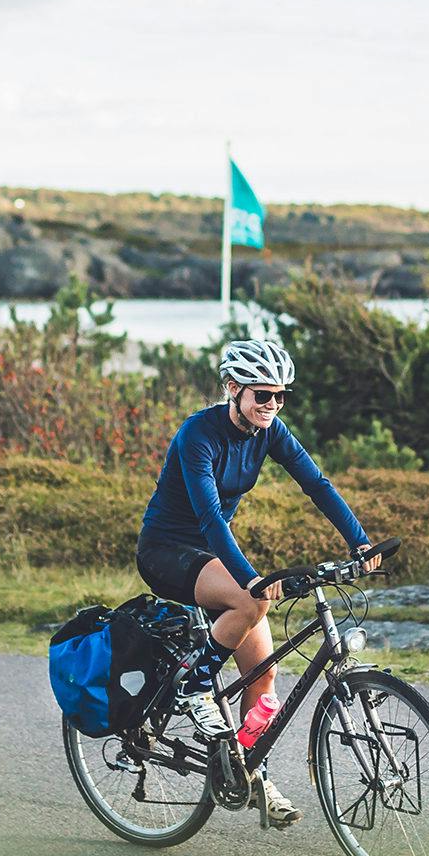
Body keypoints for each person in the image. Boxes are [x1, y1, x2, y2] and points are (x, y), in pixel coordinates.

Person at [136, 336, 378, 828]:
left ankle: (251, 773)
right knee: (252, 605)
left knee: (263, 672)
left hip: (209, 554)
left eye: (279, 396)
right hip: (167, 551)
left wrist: (360, 543)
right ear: (233, 388)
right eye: (261, 394)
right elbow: (209, 518)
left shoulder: (270, 431)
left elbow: (316, 484)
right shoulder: (197, 435)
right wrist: (250, 580)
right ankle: (195, 688)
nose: (271, 404)